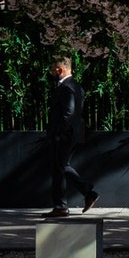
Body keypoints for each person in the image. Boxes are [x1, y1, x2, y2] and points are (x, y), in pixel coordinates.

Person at [44, 56, 99, 218]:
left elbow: (69, 113)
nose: (52, 72)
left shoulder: (66, 87)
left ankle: (87, 191)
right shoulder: (76, 86)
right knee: (59, 168)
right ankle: (60, 206)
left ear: (59, 70)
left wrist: (59, 134)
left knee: (61, 166)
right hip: (73, 134)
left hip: (65, 135)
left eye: (53, 69)